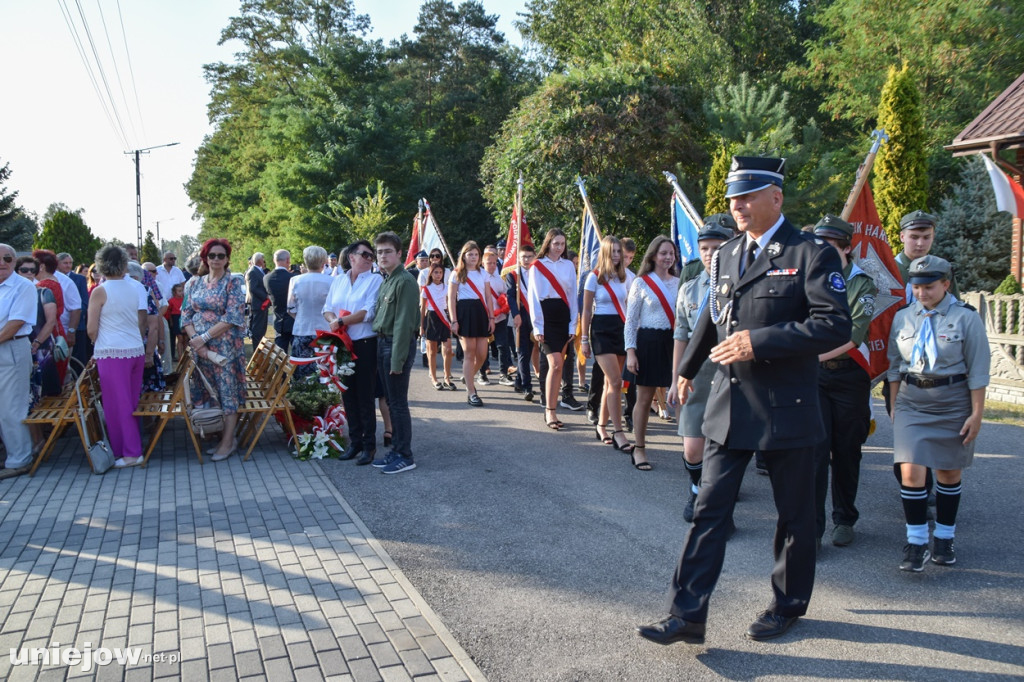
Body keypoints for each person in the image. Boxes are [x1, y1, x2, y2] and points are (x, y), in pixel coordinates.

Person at [637, 156, 851, 645]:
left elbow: (833, 325)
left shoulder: (811, 253)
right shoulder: (725, 255)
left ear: (776, 197)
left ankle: (788, 604)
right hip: (730, 403)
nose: (738, 205)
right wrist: (686, 373)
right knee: (709, 510)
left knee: (795, 516)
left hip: (786, 407)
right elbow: (712, 319)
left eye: (748, 196)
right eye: (734, 198)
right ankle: (685, 614)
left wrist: (761, 340)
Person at [887, 255, 989, 572]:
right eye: (916, 287)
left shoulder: (966, 319)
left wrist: (976, 414)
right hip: (912, 402)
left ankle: (944, 538)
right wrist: (894, 407)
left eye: (929, 287)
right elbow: (893, 367)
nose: (922, 293)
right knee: (911, 472)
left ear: (946, 284)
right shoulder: (903, 318)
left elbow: (978, 371)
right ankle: (916, 543)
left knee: (947, 472)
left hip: (953, 402)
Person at [810, 215, 878, 550]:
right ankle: (815, 529)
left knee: (847, 450)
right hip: (816, 378)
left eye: (830, 247)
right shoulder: (810, 278)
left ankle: (844, 518)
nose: (821, 252)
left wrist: (810, 355)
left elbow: (853, 336)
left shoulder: (861, 283)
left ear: (847, 248)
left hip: (850, 375)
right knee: (816, 451)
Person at [668, 223, 731, 520]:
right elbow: (681, 335)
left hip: (730, 375)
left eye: (716, 248)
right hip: (697, 375)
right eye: (704, 248)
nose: (709, 254)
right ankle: (696, 490)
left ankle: (720, 509)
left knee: (723, 449)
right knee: (693, 449)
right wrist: (676, 378)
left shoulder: (740, 288)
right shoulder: (690, 288)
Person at [182, 239, 247, 462]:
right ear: (205, 258)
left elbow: (233, 316)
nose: (216, 259)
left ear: (227, 259)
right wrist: (196, 340)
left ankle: (228, 442)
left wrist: (205, 338)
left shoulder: (233, 282)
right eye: (212, 255)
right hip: (200, 349)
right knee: (209, 391)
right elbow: (186, 315)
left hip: (224, 349)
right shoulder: (194, 283)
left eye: (221, 256)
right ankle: (219, 436)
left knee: (227, 392)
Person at [87, 245, 149, 468]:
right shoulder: (136, 287)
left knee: (117, 405)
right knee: (130, 402)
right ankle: (125, 450)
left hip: (111, 352)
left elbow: (91, 328)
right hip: (135, 349)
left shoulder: (100, 291)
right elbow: (143, 320)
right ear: (124, 263)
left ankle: (131, 452)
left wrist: (97, 344)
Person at [324, 240, 382, 465]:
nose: (369, 258)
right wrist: (334, 322)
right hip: (342, 341)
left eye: (371, 255)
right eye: (365, 254)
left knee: (365, 394)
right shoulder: (338, 280)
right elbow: (327, 308)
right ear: (351, 257)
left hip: (364, 343)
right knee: (347, 393)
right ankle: (355, 441)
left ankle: (369, 446)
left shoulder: (375, 279)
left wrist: (340, 321)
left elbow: (369, 311)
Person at [624, 236, 679, 469]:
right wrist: (631, 352)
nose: (668, 257)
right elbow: (630, 320)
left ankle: (692, 452)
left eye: (671, 253)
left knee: (682, 397)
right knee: (644, 399)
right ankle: (639, 448)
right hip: (648, 342)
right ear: (653, 255)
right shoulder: (641, 283)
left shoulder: (680, 282)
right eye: (663, 253)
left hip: (674, 343)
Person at [371, 231, 419, 474]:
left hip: (395, 345)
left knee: (398, 404)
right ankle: (396, 450)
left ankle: (405, 455)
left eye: (388, 251)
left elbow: (403, 323)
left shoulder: (405, 281)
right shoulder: (387, 279)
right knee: (391, 401)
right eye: (379, 252)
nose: (383, 256)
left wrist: (397, 359)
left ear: (399, 253)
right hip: (383, 343)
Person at [580, 235, 633, 453]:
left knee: (611, 385)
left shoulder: (627, 277)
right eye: (613, 252)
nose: (617, 255)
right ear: (605, 253)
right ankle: (618, 432)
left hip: (621, 329)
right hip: (601, 330)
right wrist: (584, 339)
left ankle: (601, 426)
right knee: (615, 381)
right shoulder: (593, 277)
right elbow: (585, 310)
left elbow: (631, 306)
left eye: (619, 251)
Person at [528, 229, 578, 430]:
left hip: (563, 316)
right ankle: (549, 410)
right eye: (556, 243)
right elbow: (533, 297)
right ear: (548, 243)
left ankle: (553, 410)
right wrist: (537, 325)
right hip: (546, 317)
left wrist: (573, 323)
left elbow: (573, 295)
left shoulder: (568, 266)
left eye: (562, 244)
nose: (559, 247)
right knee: (555, 363)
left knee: (559, 367)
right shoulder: (537, 266)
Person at [0, 244, 41, 479]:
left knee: (10, 408)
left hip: (12, 348)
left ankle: (19, 460)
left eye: (7, 258)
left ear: (15, 261)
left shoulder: (22, 286)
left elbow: (15, 323)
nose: (2, 262)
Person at [448, 241, 494, 407]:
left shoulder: (483, 274)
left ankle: (468, 376)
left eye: (476, 254)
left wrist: (491, 318)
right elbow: (451, 298)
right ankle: (471, 392)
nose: (473, 257)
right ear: (464, 256)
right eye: (470, 254)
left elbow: (488, 297)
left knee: (482, 354)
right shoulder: (456, 274)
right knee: (470, 352)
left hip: (481, 313)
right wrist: (453, 320)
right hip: (464, 313)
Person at [17, 256, 59, 408]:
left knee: (45, 393)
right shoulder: (11, 293)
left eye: (32, 270)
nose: (29, 273)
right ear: (17, 271)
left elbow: (50, 321)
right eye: (24, 270)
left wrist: (37, 342)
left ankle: (46, 429)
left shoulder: (43, 292)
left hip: (41, 348)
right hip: (18, 345)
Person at [286, 246, 333, 378]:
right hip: (325, 331)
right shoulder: (332, 281)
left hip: (302, 329)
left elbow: (290, 307)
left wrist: (301, 317)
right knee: (324, 372)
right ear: (324, 261)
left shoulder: (295, 280)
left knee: (301, 372)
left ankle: (301, 397)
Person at [128, 262, 166, 393]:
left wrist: (149, 355)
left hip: (141, 348)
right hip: (135, 348)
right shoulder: (144, 290)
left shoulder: (144, 290)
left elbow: (153, 324)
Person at [506, 243, 537, 402]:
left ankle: (518, 381)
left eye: (529, 257)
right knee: (522, 352)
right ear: (518, 258)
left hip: (534, 316)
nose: (526, 260)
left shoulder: (537, 273)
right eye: (523, 257)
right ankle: (527, 386)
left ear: (534, 257)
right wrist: (516, 314)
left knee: (528, 351)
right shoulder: (513, 275)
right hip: (519, 315)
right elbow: (510, 296)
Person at [32, 250, 69, 384]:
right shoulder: (54, 281)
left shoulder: (43, 285)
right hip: (56, 329)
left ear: (41, 266)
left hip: (48, 332)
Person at [480, 245, 513, 386]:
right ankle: (482, 374)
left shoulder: (500, 279)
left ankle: (503, 374)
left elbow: (504, 294)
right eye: (489, 263)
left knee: (502, 345)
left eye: (494, 263)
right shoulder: (479, 277)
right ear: (483, 263)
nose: (492, 266)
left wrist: (505, 302)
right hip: (483, 317)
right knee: (483, 347)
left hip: (499, 317)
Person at [420, 262, 455, 390]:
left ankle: (446, 377)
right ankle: (434, 378)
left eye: (440, 272)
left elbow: (449, 304)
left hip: (444, 319)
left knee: (448, 350)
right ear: (431, 273)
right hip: (431, 318)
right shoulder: (426, 289)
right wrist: (421, 326)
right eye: (436, 272)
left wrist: (452, 320)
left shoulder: (447, 287)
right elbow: (422, 308)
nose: (438, 275)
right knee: (432, 350)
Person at [57, 252, 92, 368]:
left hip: (78, 325)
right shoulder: (53, 278)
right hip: (60, 324)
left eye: (70, 263)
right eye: (65, 263)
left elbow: (84, 302)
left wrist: (75, 315)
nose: (68, 265)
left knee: (77, 358)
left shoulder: (79, 279)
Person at [264, 249, 294, 351]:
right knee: (297, 355)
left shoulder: (267, 278)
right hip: (293, 319)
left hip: (278, 319)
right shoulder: (293, 278)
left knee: (279, 356)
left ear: (274, 260)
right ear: (288, 260)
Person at [246, 252, 269, 349]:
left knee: (262, 329)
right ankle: (257, 350)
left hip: (261, 304)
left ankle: (260, 349)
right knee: (258, 330)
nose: (264, 261)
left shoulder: (259, 271)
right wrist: (266, 297)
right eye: (263, 259)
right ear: (260, 260)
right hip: (258, 304)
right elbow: (253, 288)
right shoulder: (253, 272)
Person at [165, 283, 185, 364]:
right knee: (180, 338)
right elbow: (168, 312)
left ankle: (185, 356)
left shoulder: (184, 299)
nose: (181, 292)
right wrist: (171, 322)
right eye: (179, 291)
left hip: (183, 318)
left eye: (182, 291)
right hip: (176, 318)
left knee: (185, 339)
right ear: (174, 292)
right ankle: (180, 357)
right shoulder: (171, 301)